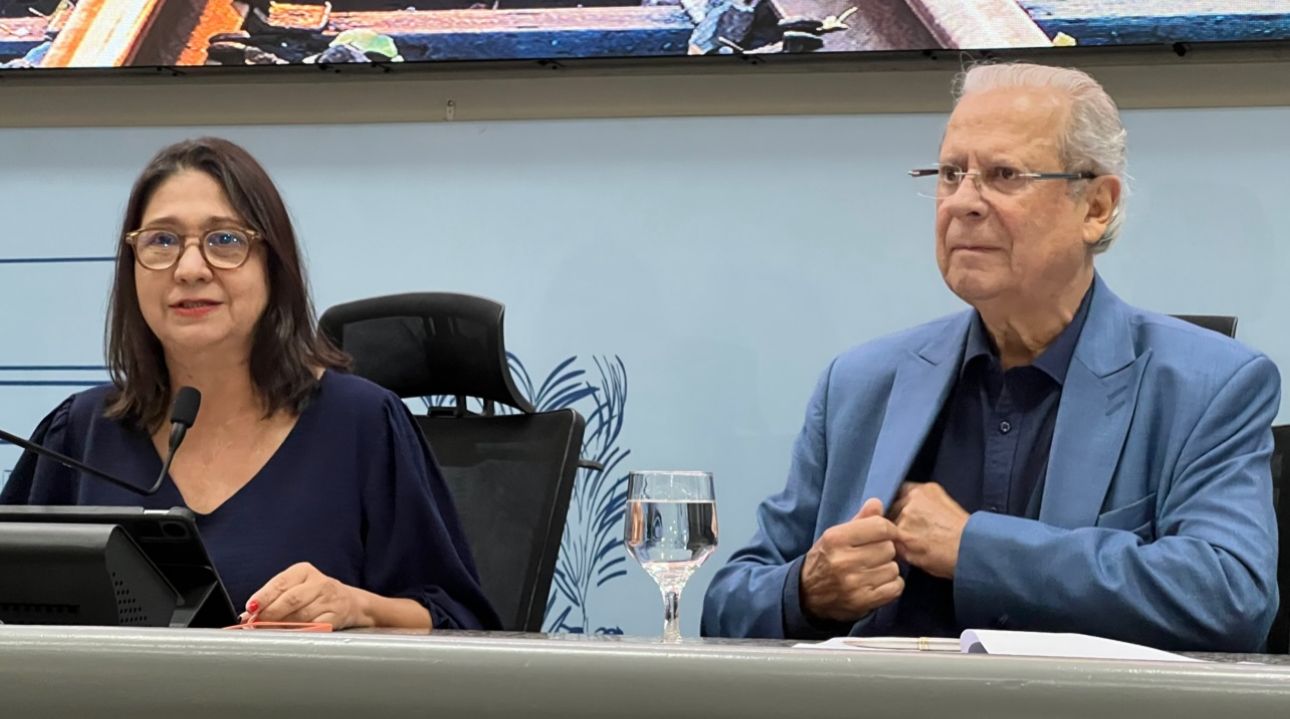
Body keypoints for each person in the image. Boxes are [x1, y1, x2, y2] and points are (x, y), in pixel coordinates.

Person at [701, 63, 1280, 651]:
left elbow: (1230, 597)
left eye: (1004, 175)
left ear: (1096, 207)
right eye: (952, 174)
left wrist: (974, 548)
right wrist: (807, 592)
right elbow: (727, 607)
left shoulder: (1209, 386)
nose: (962, 203)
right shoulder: (860, 383)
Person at [1, 137, 500, 631]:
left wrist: (359, 608)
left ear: (272, 265)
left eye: (224, 240)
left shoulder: (363, 424)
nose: (189, 269)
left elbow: (464, 624)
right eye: (161, 241)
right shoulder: (80, 433)